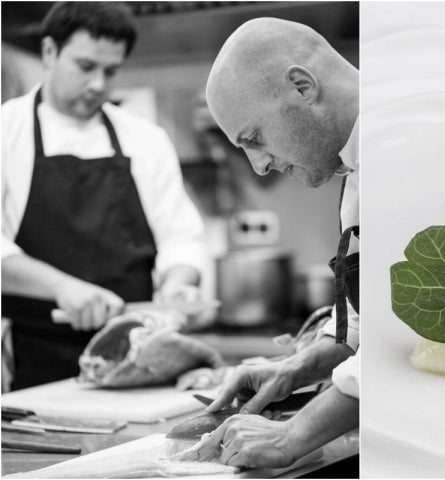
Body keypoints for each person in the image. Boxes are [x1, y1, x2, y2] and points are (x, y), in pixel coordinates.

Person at [173, 17, 359, 469]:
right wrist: (297, 367)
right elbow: (373, 322)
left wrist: (293, 434)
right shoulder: (355, 170)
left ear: (302, 86)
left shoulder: (409, 147)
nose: (257, 166)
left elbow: (425, 339)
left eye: (254, 139)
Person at [1, 2, 206, 390]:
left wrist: (179, 283)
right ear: (49, 52)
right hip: (35, 358)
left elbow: (181, 237)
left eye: (111, 71)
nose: (98, 84)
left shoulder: (145, 139)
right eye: (85, 66)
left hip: (135, 355)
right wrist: (64, 288)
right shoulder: (6, 134)